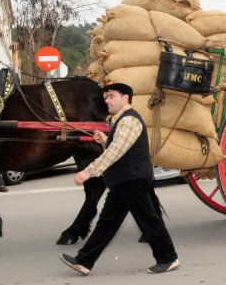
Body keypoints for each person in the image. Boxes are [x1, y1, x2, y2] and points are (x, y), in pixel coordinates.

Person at [60, 83, 179, 275]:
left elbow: (116, 152)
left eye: (111, 96)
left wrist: (88, 172)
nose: (107, 100)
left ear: (125, 98)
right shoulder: (120, 121)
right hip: (124, 181)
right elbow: (120, 147)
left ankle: (168, 258)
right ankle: (84, 261)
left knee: (148, 221)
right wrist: (104, 140)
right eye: (106, 97)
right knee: (107, 223)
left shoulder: (129, 120)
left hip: (132, 180)